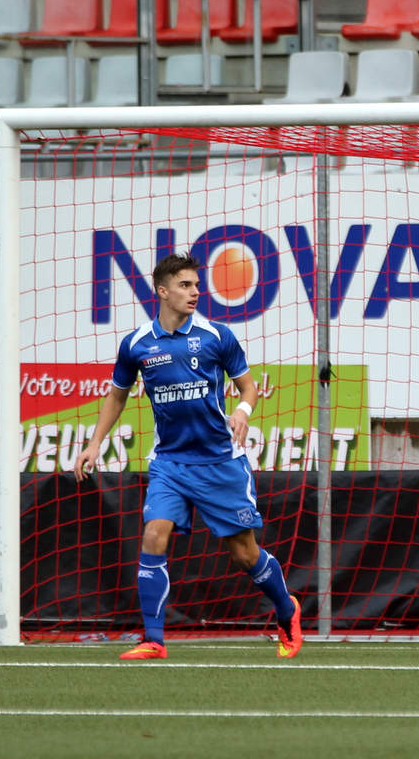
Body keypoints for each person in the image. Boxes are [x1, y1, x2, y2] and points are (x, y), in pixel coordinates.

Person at [73, 253, 303, 660]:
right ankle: (154, 640)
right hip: (170, 463)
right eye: (185, 285)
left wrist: (242, 411)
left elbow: (248, 387)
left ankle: (287, 609)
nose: (195, 292)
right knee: (153, 534)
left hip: (220, 462)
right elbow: (117, 395)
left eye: (196, 285)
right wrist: (94, 443)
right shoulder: (136, 344)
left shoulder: (217, 336)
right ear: (162, 291)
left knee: (244, 553)